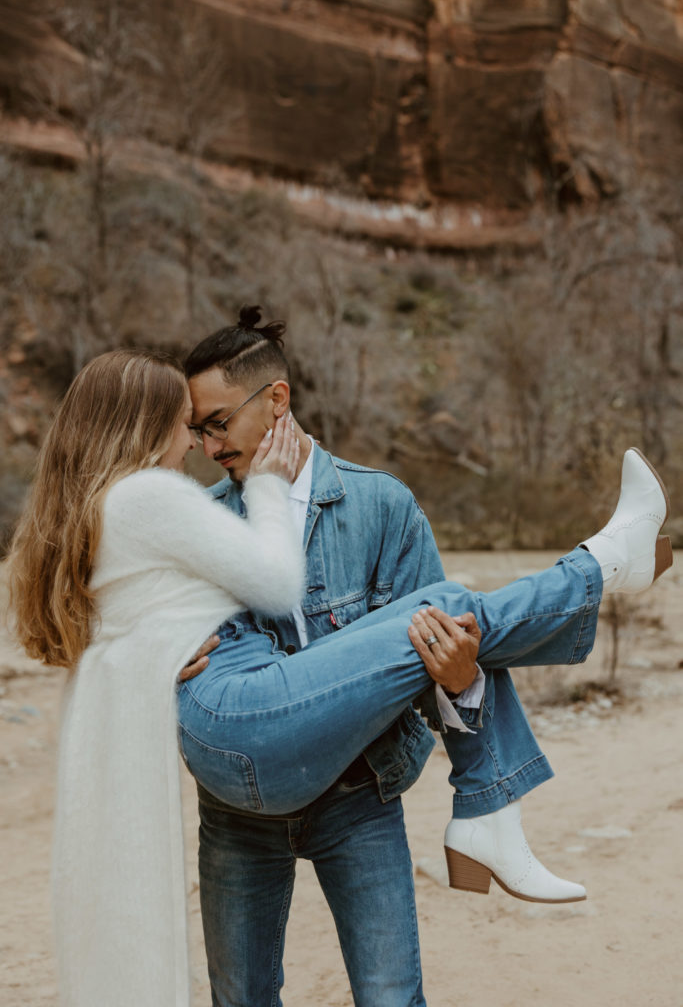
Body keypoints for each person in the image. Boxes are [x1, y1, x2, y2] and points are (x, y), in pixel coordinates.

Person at [7, 349, 670, 1007]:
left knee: (441, 617)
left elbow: (108, 606)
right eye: (188, 424)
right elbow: (262, 583)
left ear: (276, 400)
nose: (199, 444)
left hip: (355, 788)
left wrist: (462, 679)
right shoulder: (178, 504)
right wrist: (154, 652)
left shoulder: (378, 502)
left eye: (212, 422)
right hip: (244, 776)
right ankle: (601, 572)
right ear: (141, 422)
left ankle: (495, 792)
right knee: (449, 605)